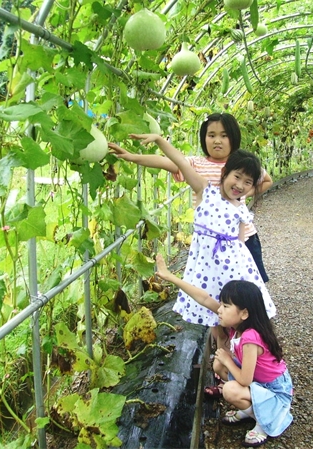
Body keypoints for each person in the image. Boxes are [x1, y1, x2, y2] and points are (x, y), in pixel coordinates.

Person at [118, 133, 276, 339]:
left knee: (239, 315)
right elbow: (180, 162)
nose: (240, 185)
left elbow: (240, 242)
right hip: (207, 267)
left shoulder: (241, 209)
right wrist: (158, 140)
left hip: (233, 269)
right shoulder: (205, 190)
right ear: (225, 173)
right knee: (214, 315)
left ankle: (246, 350)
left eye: (248, 182)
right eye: (237, 177)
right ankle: (223, 352)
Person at [108, 113, 272, 283]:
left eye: (224, 136)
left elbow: (267, 181)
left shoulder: (242, 164)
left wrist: (242, 196)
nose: (217, 141)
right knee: (217, 286)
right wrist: (132, 156)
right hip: (210, 241)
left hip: (243, 238)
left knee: (252, 284)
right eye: (211, 135)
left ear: (234, 137)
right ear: (204, 138)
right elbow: (163, 161)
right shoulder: (196, 164)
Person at [155, 254, 293, 448]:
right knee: (218, 364)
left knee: (229, 389)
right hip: (260, 383)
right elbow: (203, 298)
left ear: (244, 313)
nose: (219, 310)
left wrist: (228, 360)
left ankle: (265, 421)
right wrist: (170, 277)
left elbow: (245, 380)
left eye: (226, 306)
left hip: (275, 391)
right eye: (221, 304)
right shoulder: (237, 325)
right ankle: (254, 408)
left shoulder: (250, 338)